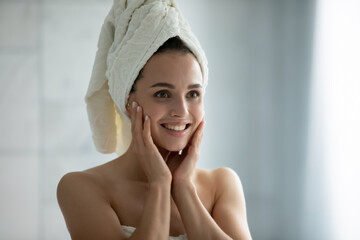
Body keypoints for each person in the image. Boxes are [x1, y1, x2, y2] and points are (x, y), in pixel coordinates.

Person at [57, 0, 252, 239]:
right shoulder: (82, 188)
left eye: (193, 94)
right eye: (162, 94)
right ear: (129, 102)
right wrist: (160, 184)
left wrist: (184, 189)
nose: (182, 110)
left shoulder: (222, 184)